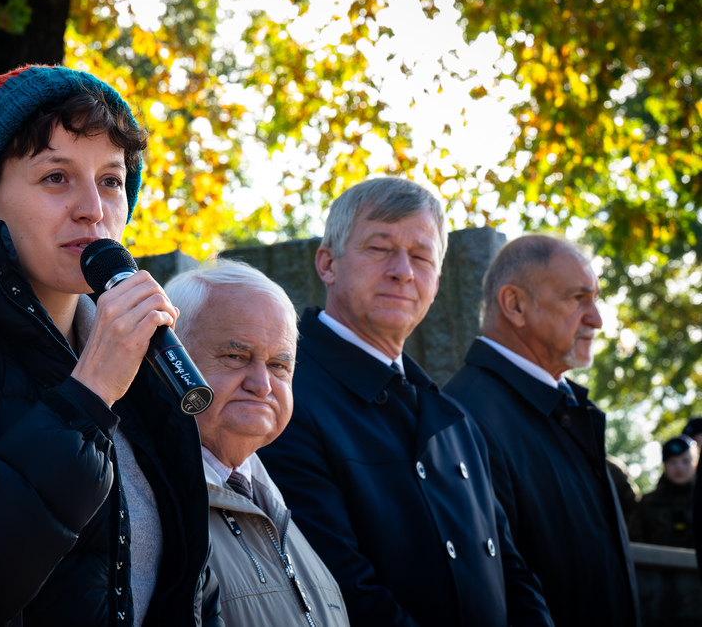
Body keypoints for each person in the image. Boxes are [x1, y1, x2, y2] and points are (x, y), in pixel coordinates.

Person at [0, 65, 220, 626]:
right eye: (55, 178)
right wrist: (88, 394)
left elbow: (188, 584)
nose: (92, 207)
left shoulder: (140, 353)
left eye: (111, 180)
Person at [260, 177, 552, 626]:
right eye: (380, 248)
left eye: (422, 255)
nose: (403, 270)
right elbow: (342, 590)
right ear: (327, 263)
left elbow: (511, 571)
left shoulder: (455, 421)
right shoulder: (282, 394)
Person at [444, 234, 639, 627]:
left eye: (595, 298)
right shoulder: (465, 419)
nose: (597, 319)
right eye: (577, 298)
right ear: (514, 304)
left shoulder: (562, 406)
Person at [165, 259, 349, 627]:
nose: (262, 385)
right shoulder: (150, 509)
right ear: (170, 362)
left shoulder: (274, 507)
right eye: (236, 357)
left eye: (280, 365)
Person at [628, 436, 697, 549]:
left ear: (695, 464)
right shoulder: (647, 503)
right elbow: (634, 545)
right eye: (673, 462)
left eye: (685, 461)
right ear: (664, 465)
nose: (679, 467)